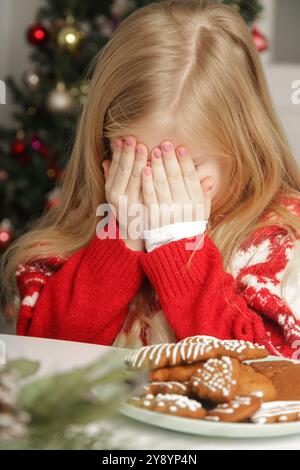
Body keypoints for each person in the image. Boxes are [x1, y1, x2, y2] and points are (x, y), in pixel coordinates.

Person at [1, 0, 300, 358]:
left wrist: (180, 246)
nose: (158, 190)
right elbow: (40, 362)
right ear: (104, 151)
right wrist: (119, 240)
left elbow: (276, 372)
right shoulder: (79, 232)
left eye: (181, 169)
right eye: (137, 163)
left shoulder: (279, 242)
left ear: (243, 146)